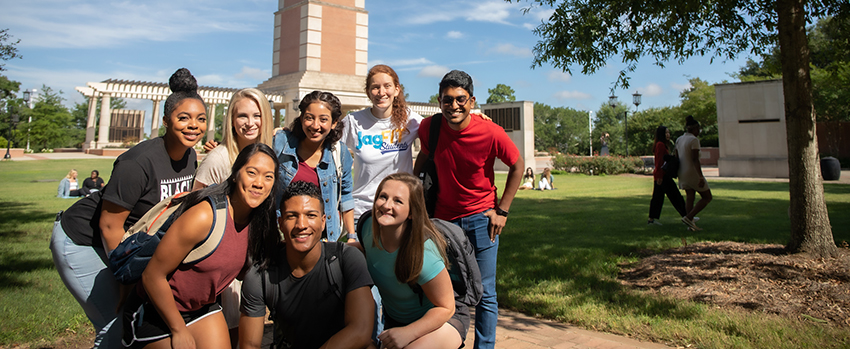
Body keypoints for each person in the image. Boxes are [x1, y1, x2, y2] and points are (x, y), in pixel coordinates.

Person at [50, 68, 206, 348]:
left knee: (135, 316)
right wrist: (125, 279)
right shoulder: (137, 163)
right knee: (112, 322)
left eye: (200, 119)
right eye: (183, 118)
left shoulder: (191, 156)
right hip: (84, 240)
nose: (193, 125)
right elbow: (109, 225)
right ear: (166, 121)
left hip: (127, 242)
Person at [122, 143, 279, 348]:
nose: (259, 183)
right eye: (252, 173)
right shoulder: (204, 216)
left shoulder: (258, 222)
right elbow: (153, 276)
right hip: (155, 311)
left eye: (268, 176)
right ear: (235, 174)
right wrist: (178, 330)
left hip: (201, 308)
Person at [413, 70, 524, 349]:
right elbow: (422, 161)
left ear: (472, 101)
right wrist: (415, 199)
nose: (454, 106)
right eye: (447, 100)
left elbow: (517, 165)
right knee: (442, 290)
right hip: (441, 220)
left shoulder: (490, 131)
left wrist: (503, 211)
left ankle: (484, 346)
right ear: (439, 102)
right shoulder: (430, 128)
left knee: (485, 292)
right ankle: (448, 341)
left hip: (481, 219)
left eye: (460, 99)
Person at [240, 181, 375, 349]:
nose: (301, 225)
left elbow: (360, 330)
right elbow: (249, 345)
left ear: (323, 221)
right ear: (280, 223)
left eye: (311, 215)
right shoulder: (261, 275)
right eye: (291, 216)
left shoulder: (346, 259)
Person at [191, 87, 275, 344]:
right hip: (222, 266)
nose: (250, 123)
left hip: (249, 259)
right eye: (242, 116)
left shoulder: (267, 155)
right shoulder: (218, 159)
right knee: (227, 332)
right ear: (231, 120)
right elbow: (193, 211)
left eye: (256, 115)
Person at [355, 172, 469, 349]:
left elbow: (446, 307)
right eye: (383, 197)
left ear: (411, 213)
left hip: (441, 321)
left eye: (397, 201)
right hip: (397, 320)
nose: (386, 205)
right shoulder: (368, 228)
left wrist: (408, 333)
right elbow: (365, 252)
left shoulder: (425, 254)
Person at [274, 90, 354, 243]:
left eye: (323, 119)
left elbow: (345, 195)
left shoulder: (340, 152)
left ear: (334, 122)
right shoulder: (281, 142)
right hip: (284, 237)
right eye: (309, 118)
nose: (315, 125)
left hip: (325, 239)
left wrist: (351, 235)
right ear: (301, 118)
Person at [676, 115, 712, 231]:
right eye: (698, 129)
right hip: (692, 172)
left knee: (690, 196)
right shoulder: (694, 140)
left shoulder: (679, 139)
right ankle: (689, 217)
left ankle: (691, 225)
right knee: (707, 197)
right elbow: (695, 159)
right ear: (694, 129)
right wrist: (700, 177)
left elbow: (676, 155)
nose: (699, 131)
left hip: (682, 172)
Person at [647, 125, 687, 226]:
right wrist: (660, 176)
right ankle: (687, 216)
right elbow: (660, 162)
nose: (668, 135)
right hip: (663, 176)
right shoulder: (660, 145)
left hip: (661, 175)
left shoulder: (661, 144)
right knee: (675, 196)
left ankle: (651, 219)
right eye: (666, 133)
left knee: (658, 197)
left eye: (668, 133)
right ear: (661, 134)